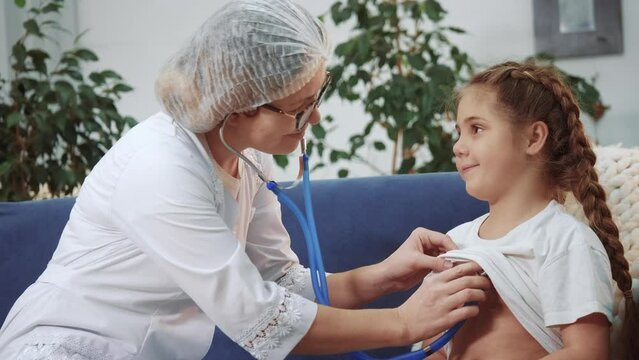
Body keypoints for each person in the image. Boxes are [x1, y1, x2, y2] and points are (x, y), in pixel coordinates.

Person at [0, 1, 491, 359]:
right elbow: (262, 322)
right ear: (236, 105)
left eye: (318, 96)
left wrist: (382, 276)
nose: (315, 119)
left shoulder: (247, 157)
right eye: (301, 109)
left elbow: (281, 286)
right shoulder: (160, 172)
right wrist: (404, 321)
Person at [422, 61, 637, 359]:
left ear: (534, 138)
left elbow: (587, 352)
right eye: (459, 132)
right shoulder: (454, 242)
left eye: (476, 129)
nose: (458, 146)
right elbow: (432, 348)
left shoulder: (564, 242)